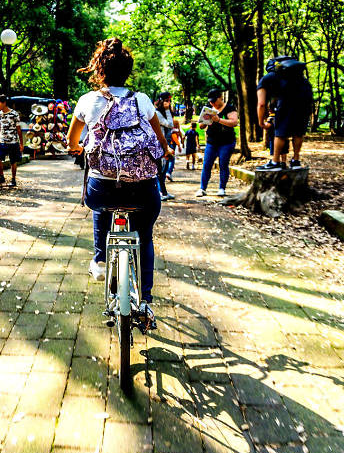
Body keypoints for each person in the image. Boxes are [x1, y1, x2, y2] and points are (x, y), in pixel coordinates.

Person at [67, 37, 173, 330]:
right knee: (145, 236)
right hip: (143, 189)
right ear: (128, 72)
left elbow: (72, 141)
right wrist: (165, 151)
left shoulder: (87, 101)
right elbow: (159, 141)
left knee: (101, 203)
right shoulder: (143, 100)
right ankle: (146, 302)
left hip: (102, 189)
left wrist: (77, 149)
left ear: (99, 70)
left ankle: (100, 261)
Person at [257, 55, 313, 169]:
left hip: (286, 103)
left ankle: (275, 162)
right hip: (305, 103)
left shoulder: (267, 78)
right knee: (298, 132)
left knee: (280, 132)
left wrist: (261, 122)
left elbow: (261, 104)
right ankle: (296, 161)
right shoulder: (301, 78)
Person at [196, 89, 239, 197]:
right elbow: (201, 126)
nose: (212, 103)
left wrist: (219, 120)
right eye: (211, 101)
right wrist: (205, 121)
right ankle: (202, 188)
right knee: (206, 164)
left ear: (220, 98)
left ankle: (222, 188)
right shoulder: (209, 108)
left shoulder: (229, 108)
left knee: (223, 164)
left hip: (226, 142)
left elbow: (234, 122)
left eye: (214, 101)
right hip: (211, 142)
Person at [0, 94, 23, 188]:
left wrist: (21, 143)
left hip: (13, 142)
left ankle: (13, 179)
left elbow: (19, 129)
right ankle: (1, 177)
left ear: (4, 103)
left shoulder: (14, 114)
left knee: (13, 161)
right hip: (2, 141)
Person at [154, 92, 175, 200]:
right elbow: (170, 125)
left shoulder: (163, 112)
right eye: (166, 101)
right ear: (161, 101)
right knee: (159, 170)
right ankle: (160, 193)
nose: (168, 103)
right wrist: (167, 110)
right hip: (159, 144)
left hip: (165, 143)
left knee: (163, 170)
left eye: (169, 101)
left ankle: (164, 192)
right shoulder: (157, 113)